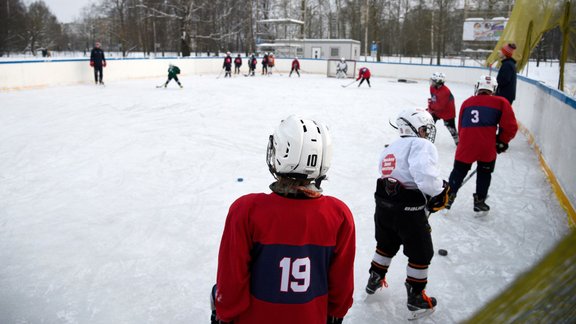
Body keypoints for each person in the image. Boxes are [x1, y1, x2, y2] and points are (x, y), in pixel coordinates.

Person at [211, 115, 356, 324]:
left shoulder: (246, 210)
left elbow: (230, 282)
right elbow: (341, 287)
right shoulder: (339, 214)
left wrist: (224, 315)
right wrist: (336, 314)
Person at [365, 108, 450, 320]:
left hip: (384, 207)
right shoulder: (421, 144)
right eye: (423, 128)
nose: (426, 133)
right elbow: (425, 176)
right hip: (408, 212)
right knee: (421, 252)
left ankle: (374, 278)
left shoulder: (390, 148)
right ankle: (416, 296)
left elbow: (388, 174)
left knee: (386, 244)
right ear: (414, 128)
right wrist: (439, 192)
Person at [446, 75, 518, 212]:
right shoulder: (501, 102)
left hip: (466, 145)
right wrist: (502, 141)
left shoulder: (467, 102)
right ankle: (480, 201)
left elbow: (461, 126)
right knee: (484, 173)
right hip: (487, 146)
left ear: (478, 87)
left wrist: (465, 141)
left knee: (458, 171)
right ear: (494, 88)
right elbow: (510, 126)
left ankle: (448, 197)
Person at [428, 72, 459, 145]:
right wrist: (430, 106)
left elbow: (440, 106)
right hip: (436, 111)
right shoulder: (432, 87)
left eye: (433, 81)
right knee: (429, 123)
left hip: (448, 112)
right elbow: (433, 99)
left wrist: (430, 107)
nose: (431, 82)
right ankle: (426, 137)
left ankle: (458, 141)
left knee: (451, 128)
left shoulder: (445, 91)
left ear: (438, 82)